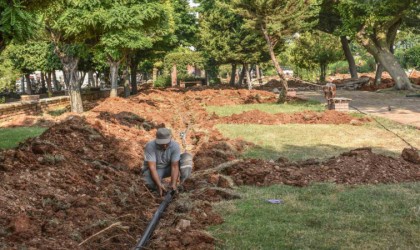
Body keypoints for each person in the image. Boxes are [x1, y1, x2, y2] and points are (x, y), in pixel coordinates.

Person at [143, 128, 193, 196]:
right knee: (148, 182)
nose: (164, 145)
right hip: (157, 169)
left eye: (167, 143)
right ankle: (161, 187)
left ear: (170, 138)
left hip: (169, 167)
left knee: (187, 158)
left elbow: (175, 166)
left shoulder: (175, 146)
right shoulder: (150, 146)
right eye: (162, 143)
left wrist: (173, 183)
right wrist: (159, 184)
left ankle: (183, 185)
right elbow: (152, 167)